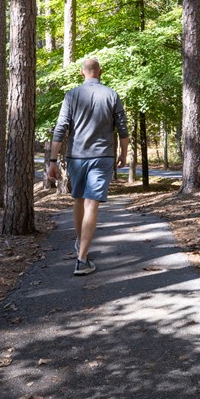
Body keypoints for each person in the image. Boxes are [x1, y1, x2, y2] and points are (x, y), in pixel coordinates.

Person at [47, 56, 129, 276]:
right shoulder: (112, 94)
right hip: (102, 156)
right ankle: (82, 259)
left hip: (76, 156)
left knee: (78, 199)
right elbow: (123, 129)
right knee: (91, 204)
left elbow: (60, 129)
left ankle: (80, 244)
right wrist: (124, 154)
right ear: (100, 72)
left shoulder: (71, 95)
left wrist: (52, 161)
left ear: (82, 73)